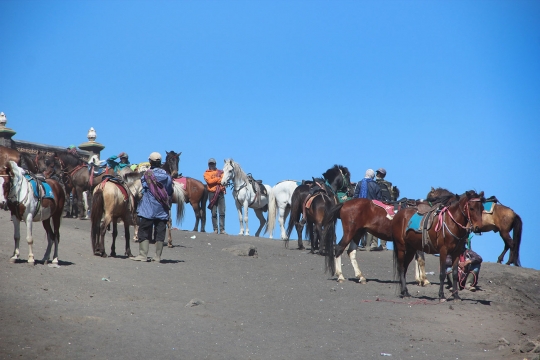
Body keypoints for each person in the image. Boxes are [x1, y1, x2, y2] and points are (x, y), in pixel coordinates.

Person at [131, 152, 173, 263]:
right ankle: (157, 257)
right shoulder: (166, 175)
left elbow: (144, 186)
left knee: (144, 229)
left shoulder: (147, 174)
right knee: (160, 232)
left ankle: (143, 255)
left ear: (150, 161)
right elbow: (169, 190)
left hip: (148, 208)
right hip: (162, 209)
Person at [351, 169, 381, 251]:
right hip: (372, 208)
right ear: (372, 176)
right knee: (370, 227)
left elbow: (355, 196)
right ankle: (368, 245)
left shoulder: (359, 183)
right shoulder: (375, 185)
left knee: (357, 226)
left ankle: (356, 244)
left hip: (360, 208)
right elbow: (379, 199)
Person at [204, 158, 226, 234]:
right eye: (210, 164)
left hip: (220, 192)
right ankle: (215, 229)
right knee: (214, 212)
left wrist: (217, 180)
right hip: (212, 193)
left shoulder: (221, 172)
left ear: (215, 164)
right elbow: (209, 181)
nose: (212, 165)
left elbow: (223, 180)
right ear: (208, 164)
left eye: (213, 163)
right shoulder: (206, 173)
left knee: (222, 212)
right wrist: (218, 179)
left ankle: (222, 229)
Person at [374, 168, 395, 250]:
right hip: (380, 205)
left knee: (382, 223)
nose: (378, 174)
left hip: (383, 205)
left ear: (383, 175)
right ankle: (377, 244)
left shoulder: (387, 184)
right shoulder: (386, 183)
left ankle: (381, 245)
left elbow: (391, 195)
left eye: (379, 173)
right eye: (378, 173)